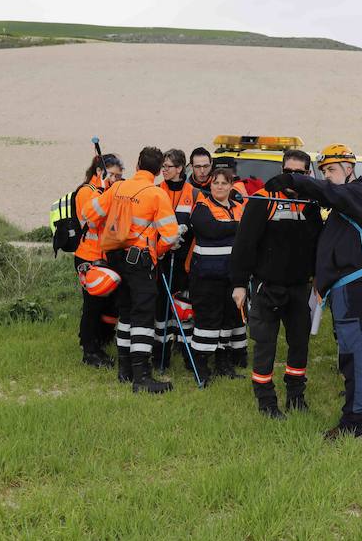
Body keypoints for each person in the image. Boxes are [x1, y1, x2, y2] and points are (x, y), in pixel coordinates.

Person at [265, 143, 362, 439]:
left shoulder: (354, 193)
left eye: (331, 169)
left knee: (352, 355)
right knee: (358, 353)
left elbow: (331, 192)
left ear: (349, 169)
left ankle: (353, 421)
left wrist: (294, 179)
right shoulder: (351, 195)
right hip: (354, 284)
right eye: (324, 171)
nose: (327, 176)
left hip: (355, 285)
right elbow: (327, 195)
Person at [231, 150, 323, 419]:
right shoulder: (263, 200)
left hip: (299, 288)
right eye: (287, 171)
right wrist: (238, 283)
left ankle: (296, 396)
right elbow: (244, 245)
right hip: (267, 288)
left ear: (307, 174)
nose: (291, 177)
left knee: (299, 344)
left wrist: (319, 278)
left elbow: (318, 244)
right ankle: (266, 402)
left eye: (298, 172)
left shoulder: (311, 203)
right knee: (265, 345)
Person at [81, 146, 180, 394]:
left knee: (125, 314)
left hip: (115, 259)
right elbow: (170, 235)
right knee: (143, 318)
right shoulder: (157, 195)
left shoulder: (117, 187)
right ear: (158, 171)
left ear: (137, 165)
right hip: (141, 262)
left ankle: (124, 370)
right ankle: (142, 377)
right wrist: (156, 251)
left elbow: (88, 213)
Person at [188, 168, 247, 383]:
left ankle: (224, 364)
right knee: (207, 322)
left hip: (232, 277)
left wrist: (236, 227)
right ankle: (201, 368)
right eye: (215, 183)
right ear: (210, 185)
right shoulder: (203, 207)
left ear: (231, 185)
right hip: (207, 276)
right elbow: (210, 230)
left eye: (224, 183)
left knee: (228, 322)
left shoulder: (239, 207)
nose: (219, 186)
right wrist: (240, 227)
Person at [74, 153, 124, 368]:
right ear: (99, 172)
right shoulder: (87, 192)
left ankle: (100, 340)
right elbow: (94, 221)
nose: (115, 179)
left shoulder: (107, 192)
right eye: (111, 174)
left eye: (118, 176)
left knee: (108, 303)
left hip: (105, 256)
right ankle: (90, 351)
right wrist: (106, 195)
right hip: (88, 257)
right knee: (92, 305)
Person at [153, 149, 197, 371]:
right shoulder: (156, 190)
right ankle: (160, 358)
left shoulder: (194, 193)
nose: (164, 170)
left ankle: (188, 357)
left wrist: (185, 232)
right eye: (162, 166)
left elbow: (199, 225)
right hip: (161, 257)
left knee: (183, 308)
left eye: (168, 167)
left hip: (183, 261)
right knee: (162, 310)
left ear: (180, 169)